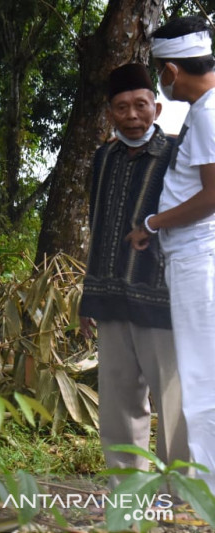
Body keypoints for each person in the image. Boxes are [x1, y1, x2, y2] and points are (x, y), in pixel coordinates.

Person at [80, 63, 188, 481]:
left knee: (173, 404)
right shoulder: (103, 157)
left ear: (156, 109)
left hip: (163, 299)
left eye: (140, 105)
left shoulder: (178, 153)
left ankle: (181, 497)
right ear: (109, 113)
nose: (132, 115)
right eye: (121, 107)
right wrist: (89, 295)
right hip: (110, 298)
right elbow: (98, 223)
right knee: (118, 404)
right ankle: (127, 492)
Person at [126, 16, 215, 492]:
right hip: (195, 258)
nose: (161, 78)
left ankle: (206, 493)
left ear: (172, 71)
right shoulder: (207, 110)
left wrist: (153, 224)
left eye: (160, 70)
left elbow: (211, 197)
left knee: (202, 382)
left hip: (198, 260)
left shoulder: (207, 114)